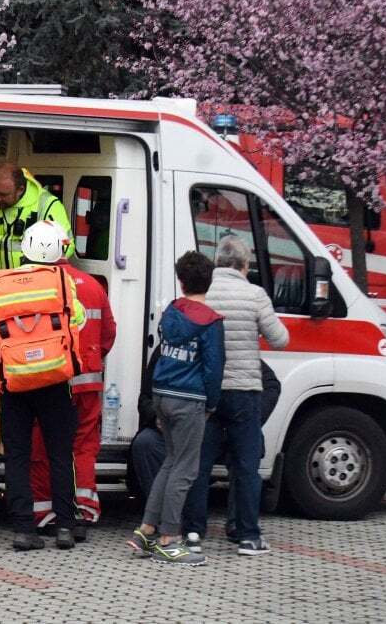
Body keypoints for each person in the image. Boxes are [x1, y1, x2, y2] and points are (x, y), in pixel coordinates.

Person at [0, 220, 86, 551]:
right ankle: (65, 527)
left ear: (24, 248)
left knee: (18, 456)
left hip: (14, 383)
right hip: (54, 380)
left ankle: (24, 531)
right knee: (59, 455)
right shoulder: (63, 282)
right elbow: (77, 319)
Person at [185, 236, 289, 556]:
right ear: (245, 265)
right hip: (244, 391)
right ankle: (248, 536)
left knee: (199, 464)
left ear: (217, 262)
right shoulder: (254, 294)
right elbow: (280, 339)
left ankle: (192, 533)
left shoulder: (204, 292)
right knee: (245, 465)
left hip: (207, 390)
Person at [126, 251, 223, 566]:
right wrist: (211, 402)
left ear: (181, 281)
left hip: (162, 396)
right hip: (189, 399)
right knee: (185, 470)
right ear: (210, 281)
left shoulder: (171, 312)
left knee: (170, 464)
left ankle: (145, 529)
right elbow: (213, 368)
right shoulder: (210, 322)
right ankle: (169, 539)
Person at [129, 349, 281, 548]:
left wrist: (249, 421)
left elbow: (271, 385)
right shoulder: (164, 352)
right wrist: (156, 416)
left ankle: (239, 526)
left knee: (242, 453)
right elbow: (146, 398)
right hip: (180, 429)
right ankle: (172, 520)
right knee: (146, 444)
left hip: (218, 427)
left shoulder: (221, 347)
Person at [30, 226, 116, 536]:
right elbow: (108, 335)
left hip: (50, 381)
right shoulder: (93, 286)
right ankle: (84, 509)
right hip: (87, 383)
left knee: (41, 444)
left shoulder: (37, 287)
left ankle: (44, 512)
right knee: (83, 446)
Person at [0, 163, 74, 274]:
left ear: (20, 190)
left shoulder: (46, 204)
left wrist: (39, 266)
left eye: (3, 194)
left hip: (30, 282)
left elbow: (66, 245)